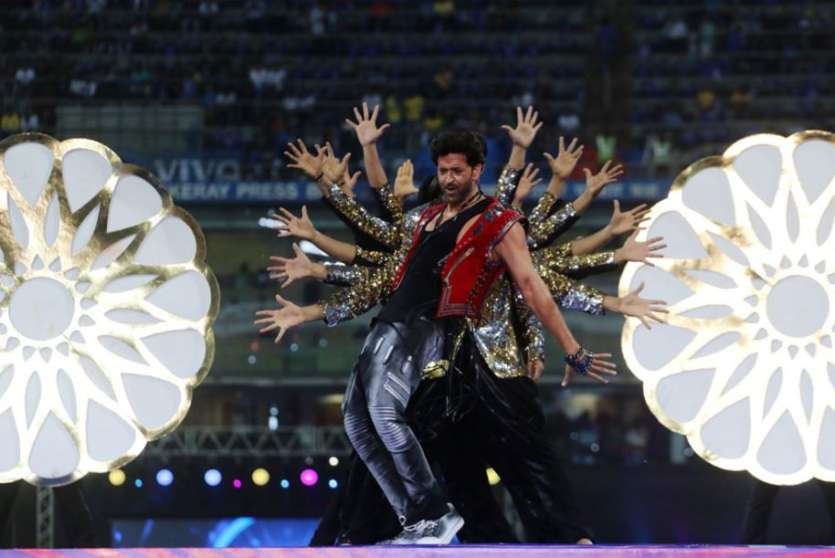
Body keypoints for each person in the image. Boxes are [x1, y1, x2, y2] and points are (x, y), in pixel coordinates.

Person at [257, 128, 618, 544]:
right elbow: (378, 247)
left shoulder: (500, 222)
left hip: (488, 362)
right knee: (392, 439)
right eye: (443, 171)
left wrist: (570, 348)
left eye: (456, 171)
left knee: (522, 449)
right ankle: (367, 535)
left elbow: (533, 290)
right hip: (434, 360)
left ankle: (568, 540)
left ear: (477, 170)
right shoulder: (423, 219)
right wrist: (325, 187)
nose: (448, 179)